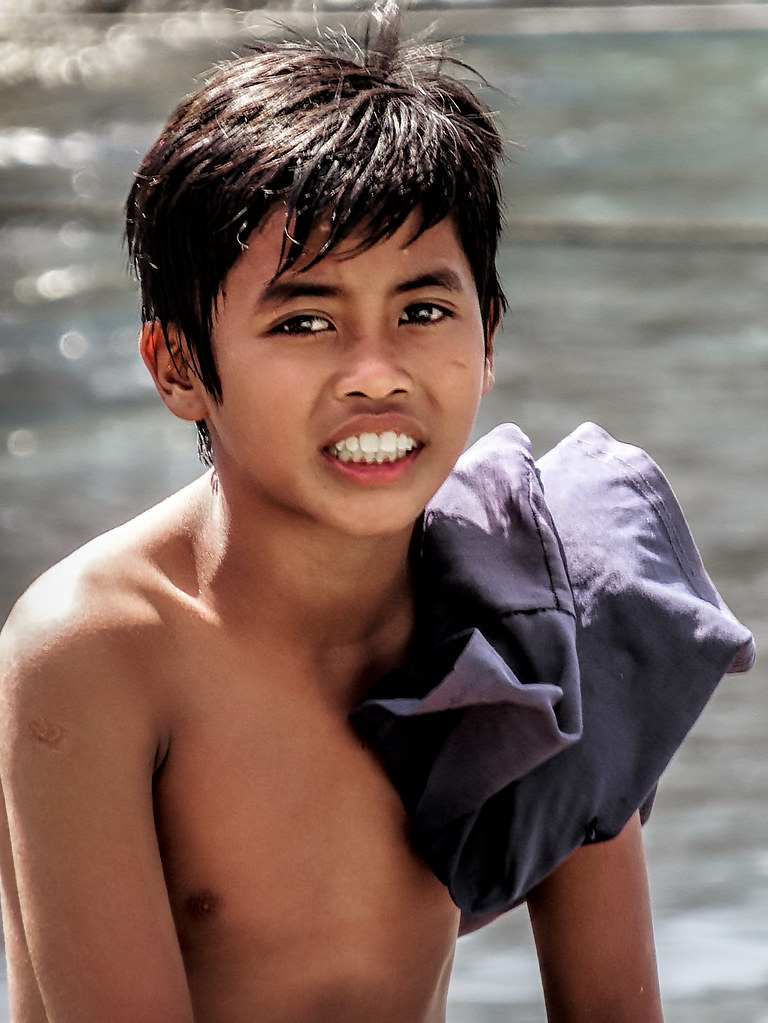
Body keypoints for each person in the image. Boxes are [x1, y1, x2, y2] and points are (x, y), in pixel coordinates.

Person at [0, 2, 754, 1021]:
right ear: (178, 364)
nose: (375, 374)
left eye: (423, 311)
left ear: (487, 335)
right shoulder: (102, 652)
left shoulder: (539, 598)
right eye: (305, 319)